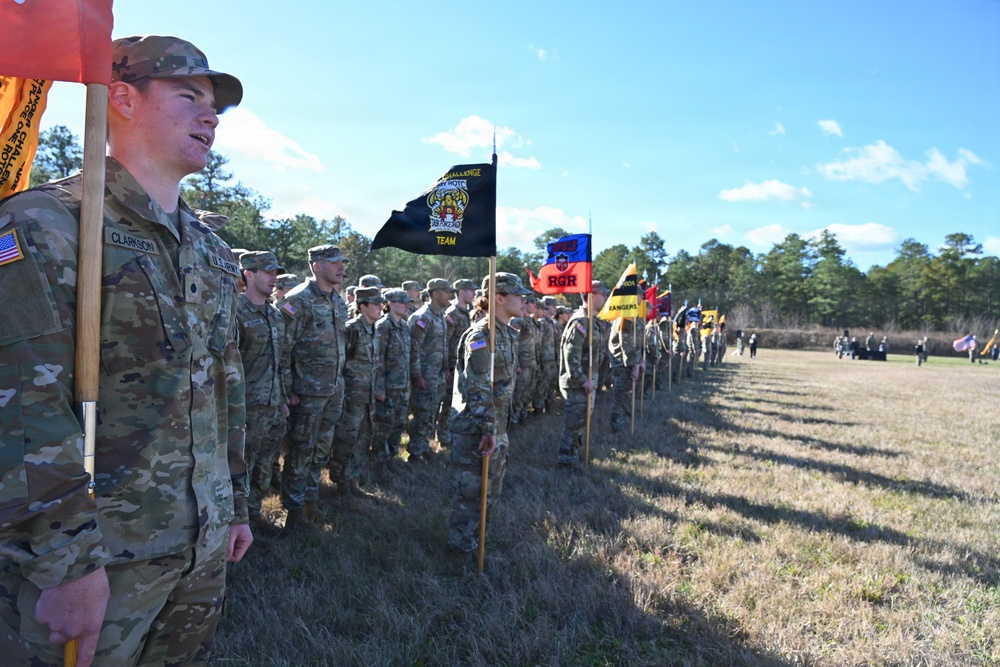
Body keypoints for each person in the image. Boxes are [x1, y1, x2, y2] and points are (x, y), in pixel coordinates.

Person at [0, 35, 250, 665]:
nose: (210, 115)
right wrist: (66, 565)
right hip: (98, 561)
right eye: (189, 95)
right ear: (120, 98)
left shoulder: (213, 252)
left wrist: (234, 504)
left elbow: (224, 390)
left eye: (214, 104)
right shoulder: (45, 225)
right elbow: (22, 402)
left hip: (196, 547)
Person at [446, 273, 531, 558]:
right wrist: (488, 429)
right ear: (499, 298)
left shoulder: (506, 332)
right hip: (478, 429)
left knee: (491, 493)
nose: (523, 299)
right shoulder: (482, 335)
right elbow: (478, 386)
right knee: (472, 494)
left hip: (496, 427)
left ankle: (476, 544)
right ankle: (459, 553)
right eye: (518, 295)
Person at [277, 244, 349, 532]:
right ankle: (293, 512)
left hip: (333, 389)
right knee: (300, 452)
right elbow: (282, 348)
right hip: (305, 392)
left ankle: (310, 501)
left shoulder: (338, 300)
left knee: (320, 450)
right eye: (335, 262)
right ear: (317, 266)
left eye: (343, 262)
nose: (342, 267)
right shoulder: (298, 301)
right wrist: (286, 389)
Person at [236, 251, 292, 532]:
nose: (274, 278)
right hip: (246, 407)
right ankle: (237, 522)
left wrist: (282, 398)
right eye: (268, 271)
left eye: (276, 272)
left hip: (273, 405)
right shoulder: (235, 312)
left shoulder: (274, 313)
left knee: (266, 464)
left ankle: (254, 514)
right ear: (248, 273)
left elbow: (281, 360)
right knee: (242, 465)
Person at [329, 287, 385, 498]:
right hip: (351, 396)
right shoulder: (352, 329)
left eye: (381, 303)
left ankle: (351, 479)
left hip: (367, 396)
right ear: (362, 307)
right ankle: (340, 482)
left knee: (363, 439)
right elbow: (342, 362)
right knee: (346, 440)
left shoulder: (374, 329)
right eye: (375, 304)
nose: (381, 307)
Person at [557, 282, 610, 466]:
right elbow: (571, 354)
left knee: (582, 421)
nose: (605, 298)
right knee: (574, 423)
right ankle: (566, 460)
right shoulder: (580, 321)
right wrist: (581, 379)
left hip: (588, 380)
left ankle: (573, 454)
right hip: (577, 382)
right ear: (592, 295)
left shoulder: (591, 320)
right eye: (603, 294)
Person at [407, 278, 451, 462]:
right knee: (422, 414)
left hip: (437, 375)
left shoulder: (440, 315)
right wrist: (417, 375)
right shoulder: (422, 317)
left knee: (431, 413)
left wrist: (446, 368)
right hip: (425, 375)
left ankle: (424, 447)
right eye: (446, 291)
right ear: (434, 293)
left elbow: (443, 345)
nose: (449, 295)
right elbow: (414, 348)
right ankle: (415, 453)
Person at [373, 288, 413, 472]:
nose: (406, 305)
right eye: (402, 302)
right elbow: (378, 360)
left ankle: (391, 459)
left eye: (407, 302)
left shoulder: (404, 326)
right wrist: (379, 389)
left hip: (402, 385)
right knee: (384, 427)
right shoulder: (383, 326)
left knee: (398, 425)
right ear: (389, 303)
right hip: (389, 387)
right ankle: (379, 463)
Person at [437, 279, 476, 447]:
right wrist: (445, 366)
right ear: (461, 291)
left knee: (457, 401)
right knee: (447, 403)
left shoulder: (466, 313)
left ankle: (450, 433)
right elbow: (445, 341)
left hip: (461, 365)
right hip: (451, 366)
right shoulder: (453, 313)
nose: (474, 294)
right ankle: (443, 437)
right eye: (471, 290)